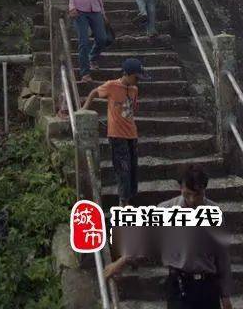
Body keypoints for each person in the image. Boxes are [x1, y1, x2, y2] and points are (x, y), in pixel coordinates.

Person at [104, 164, 232, 309]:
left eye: (197, 195)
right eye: (188, 194)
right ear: (181, 188)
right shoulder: (167, 209)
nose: (191, 200)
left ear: (204, 190)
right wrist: (121, 262)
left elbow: (222, 256)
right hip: (179, 285)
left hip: (207, 286)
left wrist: (225, 295)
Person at [83, 57, 149, 204]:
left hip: (132, 134)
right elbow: (94, 92)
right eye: (136, 77)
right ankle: (123, 203)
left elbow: (133, 109)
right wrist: (84, 108)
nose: (138, 81)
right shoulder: (111, 86)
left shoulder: (134, 89)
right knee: (123, 169)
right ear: (126, 73)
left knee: (133, 168)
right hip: (117, 135)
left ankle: (128, 200)